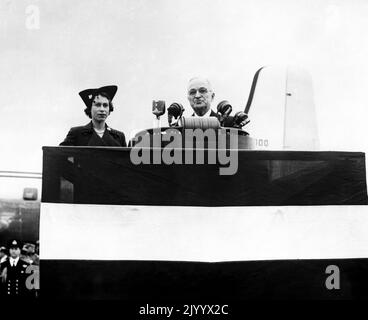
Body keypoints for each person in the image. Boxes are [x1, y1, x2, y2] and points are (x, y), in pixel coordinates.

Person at [60, 85, 127, 146]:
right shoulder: (76, 134)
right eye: (97, 105)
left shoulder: (119, 137)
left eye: (105, 105)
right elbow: (59, 155)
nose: (102, 109)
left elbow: (126, 158)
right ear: (90, 109)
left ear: (109, 109)